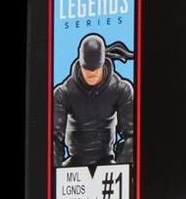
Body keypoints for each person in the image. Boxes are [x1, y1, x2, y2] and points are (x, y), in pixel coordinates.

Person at [52, 34, 135, 167]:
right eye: (87, 69)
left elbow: (132, 135)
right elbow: (53, 138)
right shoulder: (64, 92)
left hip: (106, 160)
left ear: (103, 64)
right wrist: (55, 173)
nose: (91, 73)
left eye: (96, 69)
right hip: (75, 160)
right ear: (80, 64)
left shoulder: (121, 89)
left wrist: (122, 170)